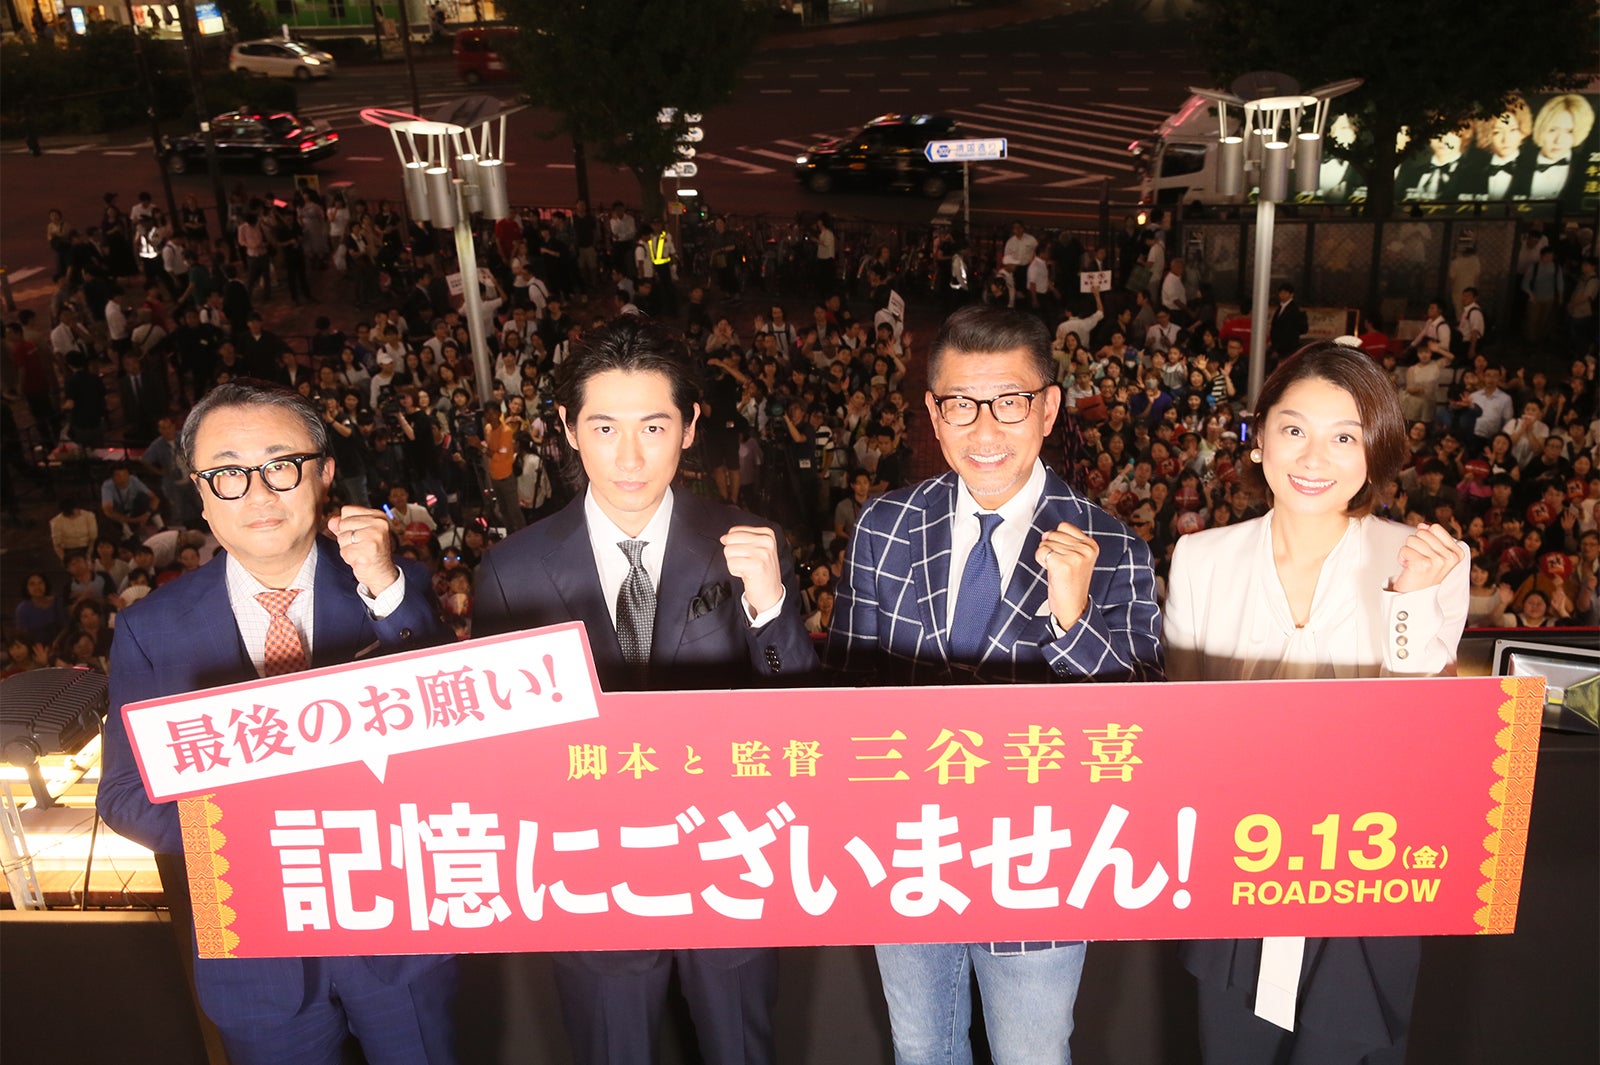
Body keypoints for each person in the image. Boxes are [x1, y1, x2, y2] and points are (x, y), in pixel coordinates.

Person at [824, 304, 1163, 1065]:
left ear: (1047, 408)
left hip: (1039, 861)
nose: (984, 431)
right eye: (960, 405)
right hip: (907, 855)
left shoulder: (1112, 543)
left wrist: (1074, 622)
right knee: (922, 1050)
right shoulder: (882, 526)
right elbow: (845, 693)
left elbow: (1140, 735)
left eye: (1009, 402)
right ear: (934, 415)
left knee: (1034, 1057)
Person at [472, 315, 816, 1065]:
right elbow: (501, 747)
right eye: (604, 426)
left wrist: (768, 605)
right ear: (567, 428)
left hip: (728, 855)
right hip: (592, 863)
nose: (629, 456)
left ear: (690, 428)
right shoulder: (511, 570)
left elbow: (797, 712)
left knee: (741, 1047)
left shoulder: (749, 541)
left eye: (653, 426)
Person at [95, 382, 458, 1065]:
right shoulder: (153, 628)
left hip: (392, 919)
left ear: (322, 473)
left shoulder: (388, 585)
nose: (257, 492)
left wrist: (386, 588)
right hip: (248, 933)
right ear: (200, 491)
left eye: (279, 464)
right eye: (228, 472)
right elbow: (122, 795)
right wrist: (263, 827)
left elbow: (454, 735)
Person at [1163, 341, 1469, 1065]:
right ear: (1260, 435)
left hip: (1366, 866)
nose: (1313, 457)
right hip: (1240, 862)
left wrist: (1409, 603)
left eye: (1344, 437)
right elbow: (1181, 720)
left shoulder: (1424, 559)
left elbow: (1423, 740)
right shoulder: (1202, 559)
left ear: (1376, 453)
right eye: (1294, 428)